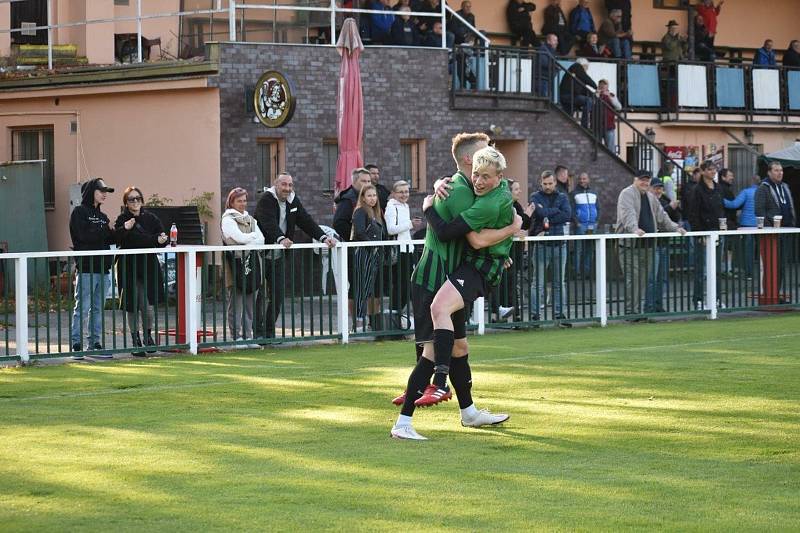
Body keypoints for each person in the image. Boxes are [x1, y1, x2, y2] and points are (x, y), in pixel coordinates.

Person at [390, 133, 520, 440]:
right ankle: (408, 418)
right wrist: (510, 232)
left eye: (485, 171)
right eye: (478, 164)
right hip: (434, 278)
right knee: (434, 351)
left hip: (451, 274)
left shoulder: (465, 188)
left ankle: (468, 412)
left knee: (457, 346)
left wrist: (504, 243)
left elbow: (490, 223)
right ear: (468, 162)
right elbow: (461, 234)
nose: (479, 174)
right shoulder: (461, 190)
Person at [254, 173, 337, 340]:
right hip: (261, 253)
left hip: (279, 254)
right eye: (284, 185)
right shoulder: (266, 199)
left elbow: (306, 221)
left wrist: (323, 237)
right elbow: (267, 222)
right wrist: (281, 238)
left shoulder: (293, 200)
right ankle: (256, 332)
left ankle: (269, 333)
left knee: (277, 294)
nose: (287, 188)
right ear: (276, 184)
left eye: (290, 185)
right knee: (258, 294)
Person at [615, 171, 685, 318]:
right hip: (630, 245)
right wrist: (634, 228)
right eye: (642, 180)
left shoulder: (651, 197)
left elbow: (662, 216)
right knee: (633, 278)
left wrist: (675, 228)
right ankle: (631, 313)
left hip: (648, 245)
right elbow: (628, 214)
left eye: (647, 181)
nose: (645, 183)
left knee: (642, 280)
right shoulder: (626, 194)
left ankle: (637, 311)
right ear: (635, 179)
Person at [114, 187, 168, 357]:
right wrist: (125, 228)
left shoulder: (151, 218)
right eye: (131, 199)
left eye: (138, 198)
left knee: (148, 304)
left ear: (142, 200)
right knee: (132, 304)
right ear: (126, 203)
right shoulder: (122, 219)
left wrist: (162, 240)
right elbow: (121, 238)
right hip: (128, 265)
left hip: (148, 265)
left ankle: (148, 336)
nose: (135, 202)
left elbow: (161, 238)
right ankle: (135, 339)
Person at [69, 178, 116, 359]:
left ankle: (94, 344)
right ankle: (76, 344)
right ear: (91, 192)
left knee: (98, 308)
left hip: (104, 269)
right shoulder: (79, 212)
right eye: (101, 190)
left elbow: (110, 239)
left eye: (106, 191)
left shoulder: (104, 217)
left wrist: (122, 229)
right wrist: (105, 231)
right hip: (87, 268)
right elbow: (82, 236)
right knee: (82, 307)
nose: (104, 194)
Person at [221, 188, 265, 348]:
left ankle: (248, 336)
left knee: (250, 303)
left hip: (252, 264)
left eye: (244, 200)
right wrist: (251, 239)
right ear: (232, 202)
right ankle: (236, 336)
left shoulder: (251, 219)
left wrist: (249, 241)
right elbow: (235, 239)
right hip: (234, 265)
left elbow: (262, 239)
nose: (243, 204)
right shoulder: (227, 219)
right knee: (236, 302)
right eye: (239, 201)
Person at [530, 170, 572, 322]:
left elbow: (567, 215)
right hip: (541, 244)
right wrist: (555, 211)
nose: (548, 186)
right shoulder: (535, 196)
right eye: (545, 183)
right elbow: (540, 214)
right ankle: (535, 315)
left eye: (550, 183)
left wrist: (548, 215)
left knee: (559, 283)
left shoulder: (562, 196)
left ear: (555, 183)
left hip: (560, 244)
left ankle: (559, 314)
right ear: (541, 183)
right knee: (538, 283)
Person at [492, 179, 532, 321]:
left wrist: (527, 215)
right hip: (504, 249)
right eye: (516, 189)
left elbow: (524, 225)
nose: (519, 191)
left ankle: (515, 315)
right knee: (500, 282)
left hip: (515, 250)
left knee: (511, 282)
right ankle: (498, 314)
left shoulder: (517, 205)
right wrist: (513, 231)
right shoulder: (503, 207)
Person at [687, 161, 725, 310]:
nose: (713, 172)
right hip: (703, 233)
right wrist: (699, 233)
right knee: (700, 268)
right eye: (710, 170)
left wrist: (725, 225)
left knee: (716, 268)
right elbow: (693, 214)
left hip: (717, 231)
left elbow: (722, 208)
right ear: (702, 171)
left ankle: (716, 298)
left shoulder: (718, 188)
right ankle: (698, 300)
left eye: (714, 170)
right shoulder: (697, 190)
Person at [351, 184, 388, 331]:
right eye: (369, 196)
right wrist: (373, 246)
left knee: (368, 289)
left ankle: (365, 321)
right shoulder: (360, 211)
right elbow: (360, 232)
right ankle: (359, 321)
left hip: (375, 253)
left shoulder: (377, 213)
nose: (372, 199)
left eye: (374, 196)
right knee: (362, 287)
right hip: (364, 253)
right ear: (363, 198)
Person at [384, 180, 423, 321]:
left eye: (406, 191)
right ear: (394, 193)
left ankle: (399, 313)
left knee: (407, 283)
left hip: (407, 248)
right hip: (398, 250)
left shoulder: (405, 206)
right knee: (401, 283)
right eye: (400, 192)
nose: (404, 194)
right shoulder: (391, 207)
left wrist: (410, 225)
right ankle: (395, 312)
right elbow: (391, 229)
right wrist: (410, 224)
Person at [644, 178, 681, 313]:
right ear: (650, 189)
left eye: (660, 188)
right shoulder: (647, 202)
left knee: (663, 278)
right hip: (654, 244)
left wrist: (674, 208)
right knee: (652, 278)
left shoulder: (665, 201)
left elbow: (675, 218)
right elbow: (656, 217)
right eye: (655, 188)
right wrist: (670, 208)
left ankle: (658, 305)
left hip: (664, 243)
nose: (658, 190)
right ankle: (649, 306)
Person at [724, 174, 759, 279]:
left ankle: (748, 273)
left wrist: (720, 200)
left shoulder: (746, 192)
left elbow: (734, 204)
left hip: (747, 225)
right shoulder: (762, 192)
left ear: (751, 181)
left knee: (748, 249)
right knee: (759, 249)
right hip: (760, 225)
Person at [570, 172, 599, 279]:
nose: (582, 181)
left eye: (584, 179)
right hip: (580, 225)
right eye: (581, 179)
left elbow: (598, 207)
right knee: (578, 249)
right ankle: (577, 273)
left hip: (592, 224)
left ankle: (586, 273)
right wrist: (576, 222)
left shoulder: (594, 193)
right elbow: (571, 209)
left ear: (588, 180)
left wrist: (597, 221)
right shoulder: (574, 193)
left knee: (589, 249)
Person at [559, 58, 597, 128]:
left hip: (568, 96)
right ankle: (584, 125)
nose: (586, 70)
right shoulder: (577, 66)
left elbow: (584, 90)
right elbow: (586, 78)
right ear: (583, 65)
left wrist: (594, 95)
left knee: (567, 119)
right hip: (568, 95)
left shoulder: (577, 75)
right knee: (588, 101)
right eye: (586, 67)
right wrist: (596, 87)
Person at [597, 79, 621, 153]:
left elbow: (619, 107)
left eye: (604, 84)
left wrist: (609, 97)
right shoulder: (595, 95)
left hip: (609, 126)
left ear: (607, 86)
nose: (602, 86)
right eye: (600, 84)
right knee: (597, 149)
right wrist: (596, 96)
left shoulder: (612, 95)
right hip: (597, 126)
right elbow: (591, 106)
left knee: (610, 150)